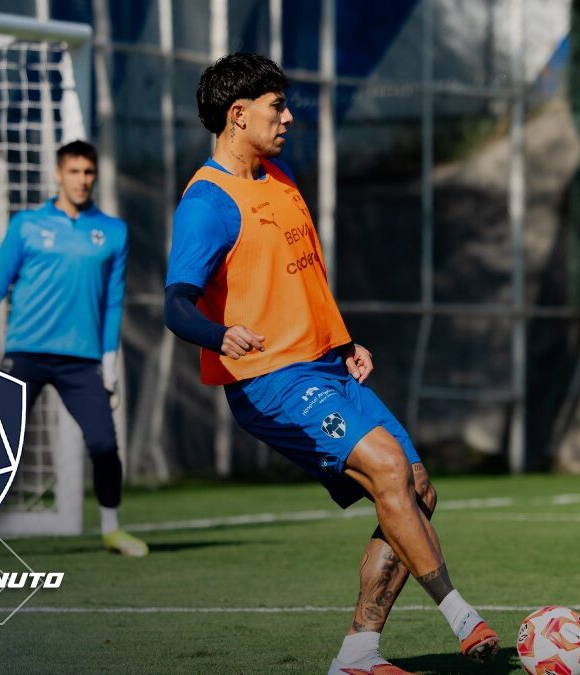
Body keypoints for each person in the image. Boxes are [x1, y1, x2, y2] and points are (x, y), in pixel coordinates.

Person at [164, 53, 499, 673]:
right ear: (238, 115)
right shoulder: (208, 202)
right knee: (388, 467)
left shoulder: (280, 175)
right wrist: (219, 334)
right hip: (272, 381)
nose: (289, 117)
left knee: (417, 488)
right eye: (277, 107)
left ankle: (358, 653)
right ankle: (462, 615)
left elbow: (300, 276)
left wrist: (341, 341)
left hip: (324, 366)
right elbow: (176, 304)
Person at [0, 140, 147, 558]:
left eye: (88, 172)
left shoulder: (113, 232)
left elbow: (113, 301)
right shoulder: (27, 225)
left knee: (104, 444)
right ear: (59, 174)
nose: (82, 180)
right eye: (74, 171)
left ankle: (112, 530)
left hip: (82, 361)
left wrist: (109, 363)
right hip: (26, 353)